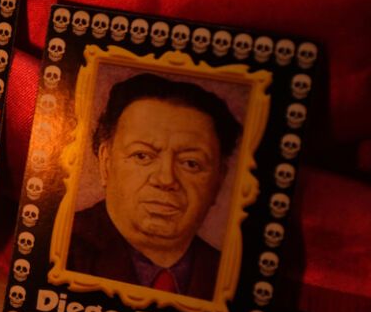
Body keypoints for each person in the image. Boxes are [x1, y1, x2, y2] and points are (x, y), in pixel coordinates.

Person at [67, 73, 241, 300]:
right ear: (106, 162)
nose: (166, 179)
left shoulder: (231, 274)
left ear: (219, 180)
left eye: (191, 163)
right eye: (142, 156)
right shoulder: (61, 245)